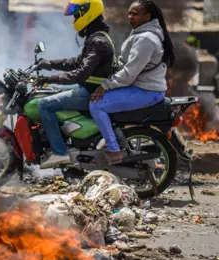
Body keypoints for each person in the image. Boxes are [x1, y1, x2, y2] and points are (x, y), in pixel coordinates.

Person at [88, 0, 175, 165]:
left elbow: (129, 74)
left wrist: (105, 86)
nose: (130, 17)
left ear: (147, 16)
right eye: (129, 13)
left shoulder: (146, 40)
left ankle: (114, 150)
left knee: (96, 104)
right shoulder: (142, 33)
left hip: (145, 91)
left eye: (135, 14)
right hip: (142, 88)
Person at [33, 0, 116, 169]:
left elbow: (80, 73)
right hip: (88, 88)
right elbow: (76, 62)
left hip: (89, 92)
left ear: (87, 12)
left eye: (76, 14)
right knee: (52, 93)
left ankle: (59, 152)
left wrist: (51, 78)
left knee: (44, 105)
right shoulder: (96, 37)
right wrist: (49, 64)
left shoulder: (97, 42)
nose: (74, 19)